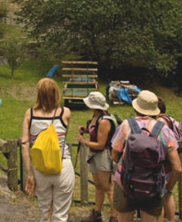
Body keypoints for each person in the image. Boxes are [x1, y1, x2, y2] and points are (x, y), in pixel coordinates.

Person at [110, 90, 182, 222]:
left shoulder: (126, 125)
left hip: (125, 183)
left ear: (136, 107)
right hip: (153, 185)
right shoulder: (164, 130)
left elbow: (114, 155)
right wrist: (168, 186)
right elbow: (178, 168)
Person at [21, 78, 74, 222]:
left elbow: (25, 145)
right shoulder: (65, 113)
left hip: (40, 168)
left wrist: (30, 173)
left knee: (45, 211)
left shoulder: (29, 115)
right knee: (60, 214)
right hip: (62, 165)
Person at [78, 92, 117, 222]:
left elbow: (101, 144)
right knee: (99, 186)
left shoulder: (104, 121)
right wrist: (86, 130)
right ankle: (97, 214)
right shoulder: (96, 116)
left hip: (103, 155)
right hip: (95, 155)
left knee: (109, 189)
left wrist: (84, 142)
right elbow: (95, 132)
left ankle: (114, 218)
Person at [156, 98, 180, 222]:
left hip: (163, 165)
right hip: (169, 163)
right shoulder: (168, 118)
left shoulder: (160, 122)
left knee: (158, 199)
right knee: (168, 194)